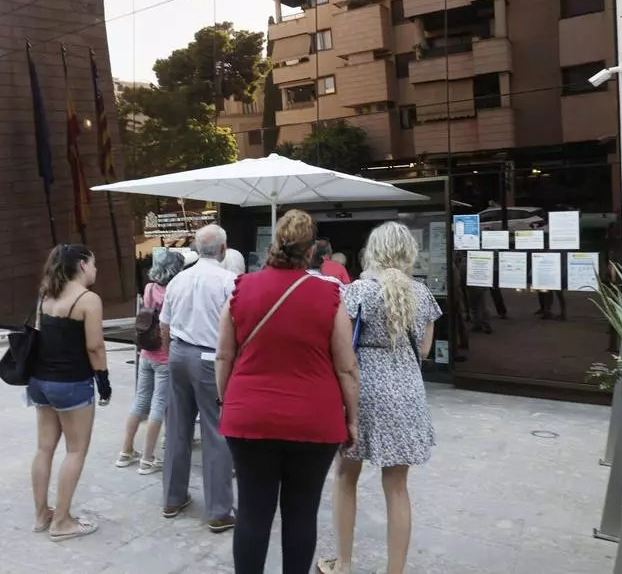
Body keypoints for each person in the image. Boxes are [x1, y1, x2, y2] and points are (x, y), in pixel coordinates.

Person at [216, 209, 360, 574]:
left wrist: (226, 401)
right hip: (314, 419)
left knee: (253, 512)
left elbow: (223, 355)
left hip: (249, 415)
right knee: (301, 513)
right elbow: (346, 366)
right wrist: (353, 419)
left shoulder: (241, 288)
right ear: (311, 251)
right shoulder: (330, 295)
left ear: (273, 246)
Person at [318, 221, 442, 574]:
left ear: (373, 251)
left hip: (363, 390)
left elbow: (340, 345)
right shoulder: (422, 294)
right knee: (398, 487)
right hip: (407, 392)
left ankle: (343, 564)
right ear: (408, 253)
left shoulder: (356, 291)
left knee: (346, 476)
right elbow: (424, 351)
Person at [27, 244, 112, 542]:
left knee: (44, 448)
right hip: (71, 383)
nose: (96, 269)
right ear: (82, 265)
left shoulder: (46, 294)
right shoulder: (88, 299)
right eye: (94, 263)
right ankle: (62, 522)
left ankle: (42, 515)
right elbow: (95, 346)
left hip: (40, 380)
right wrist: (104, 382)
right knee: (76, 450)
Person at [159, 224, 237, 532]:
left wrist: (170, 355)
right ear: (223, 249)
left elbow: (164, 324)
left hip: (179, 353)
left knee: (177, 426)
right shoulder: (228, 281)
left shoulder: (178, 279)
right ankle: (219, 510)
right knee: (216, 432)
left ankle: (173, 497)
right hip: (209, 357)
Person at [117, 250, 184, 474]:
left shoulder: (149, 288)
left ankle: (126, 451)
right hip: (164, 356)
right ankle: (147, 459)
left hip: (146, 353)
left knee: (140, 401)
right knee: (158, 405)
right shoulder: (174, 292)